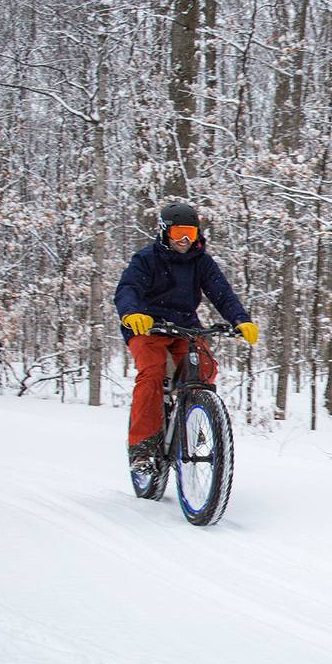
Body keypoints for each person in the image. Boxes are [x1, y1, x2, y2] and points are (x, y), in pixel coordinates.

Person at [114, 201, 259, 471]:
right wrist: (132, 312)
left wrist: (240, 320)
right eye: (179, 232)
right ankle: (143, 447)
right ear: (164, 232)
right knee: (152, 372)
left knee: (204, 368)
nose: (184, 240)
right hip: (147, 326)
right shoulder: (146, 259)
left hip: (184, 327)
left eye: (190, 234)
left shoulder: (201, 262)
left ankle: (190, 418)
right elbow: (128, 288)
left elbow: (222, 293)